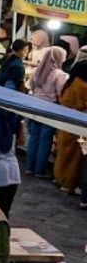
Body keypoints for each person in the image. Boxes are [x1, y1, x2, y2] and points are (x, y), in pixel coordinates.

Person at [25, 46, 68, 177]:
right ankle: (39, 170)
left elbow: (30, 86)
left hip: (35, 105)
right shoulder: (60, 74)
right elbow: (62, 93)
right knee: (45, 140)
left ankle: (29, 167)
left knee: (34, 137)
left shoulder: (38, 70)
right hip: (50, 109)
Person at [54, 61, 87, 198]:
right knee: (76, 158)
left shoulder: (70, 84)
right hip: (78, 127)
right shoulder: (83, 87)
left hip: (65, 124)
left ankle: (61, 179)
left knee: (63, 153)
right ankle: (70, 184)